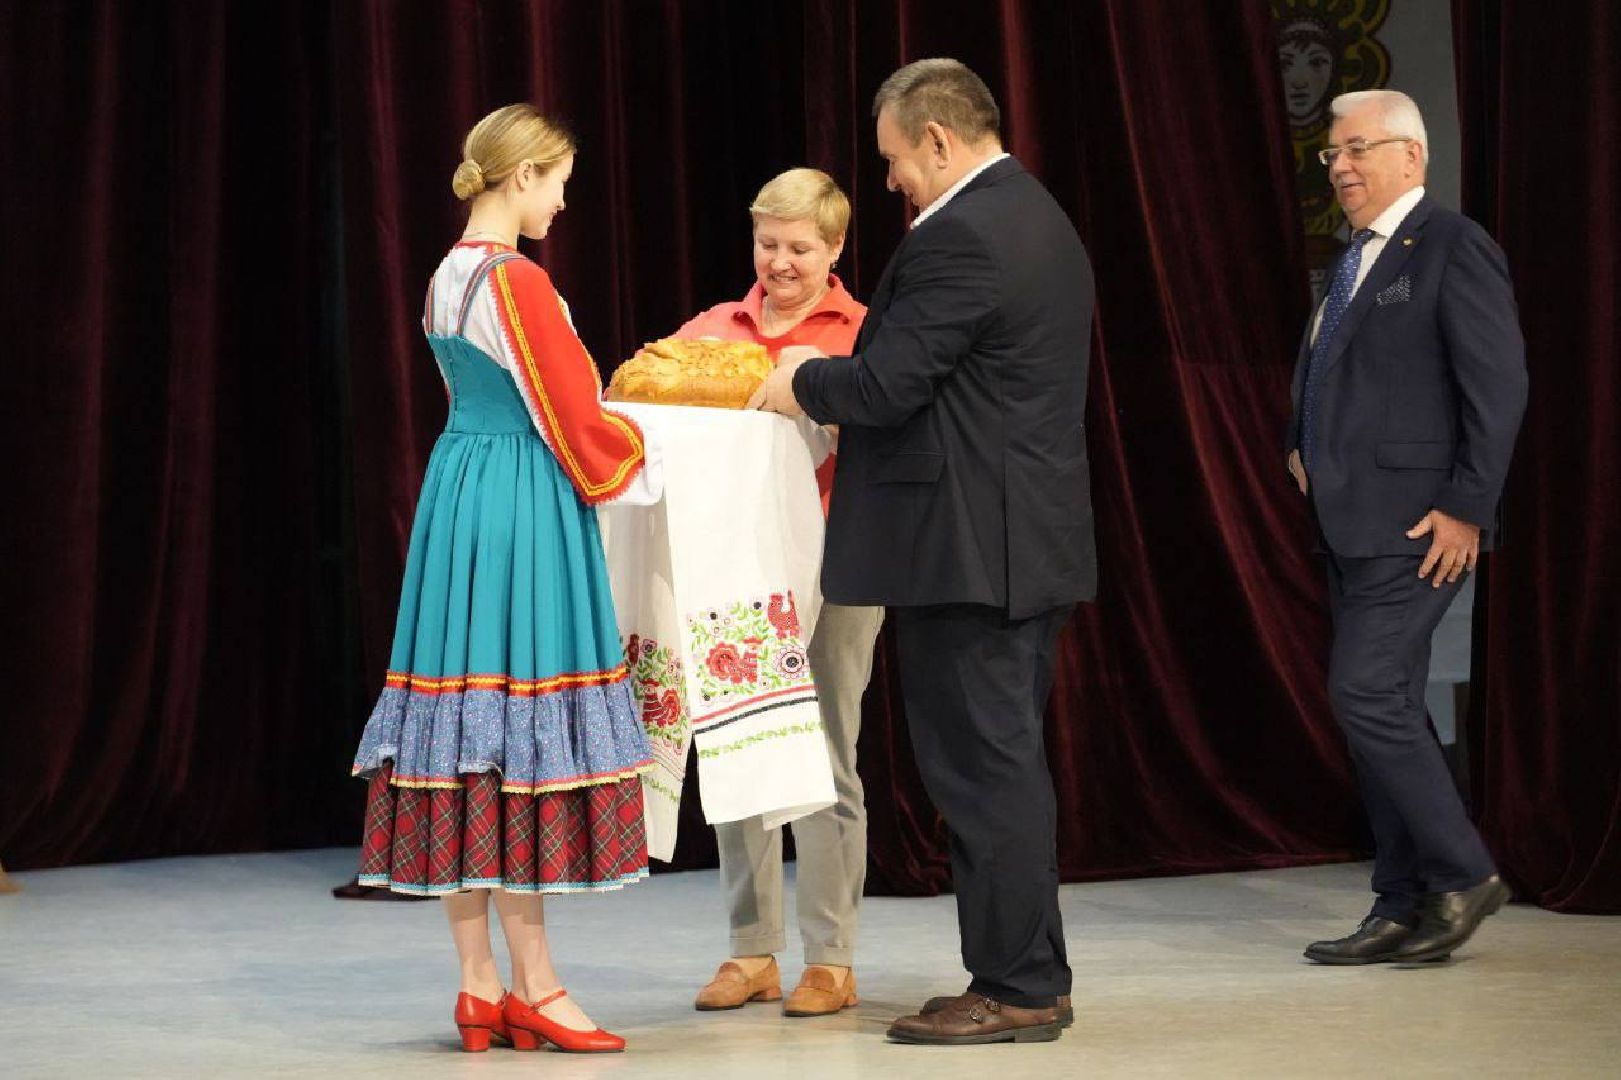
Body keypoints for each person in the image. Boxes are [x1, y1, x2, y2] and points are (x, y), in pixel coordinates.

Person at [751, 58, 1095, 1045]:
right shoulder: (1032, 214)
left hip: (972, 551)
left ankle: (1016, 988)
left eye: (895, 158)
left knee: (984, 775)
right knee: (1002, 768)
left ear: (938, 140)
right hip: (1012, 542)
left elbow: (889, 384)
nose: (891, 179)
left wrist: (802, 377)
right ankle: (1031, 977)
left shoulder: (964, 235)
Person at [349, 103, 664, 1054]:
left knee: (464, 728)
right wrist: (655, 451)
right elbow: (572, 416)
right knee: (516, 728)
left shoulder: (447, 273)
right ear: (522, 174)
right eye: (557, 180)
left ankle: (479, 984)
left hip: (460, 492)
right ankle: (536, 986)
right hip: (520, 497)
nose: (562, 201)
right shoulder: (514, 279)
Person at [1286, 90, 1527, 965]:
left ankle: (1463, 872)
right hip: (1348, 521)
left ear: (1411, 156)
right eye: (1332, 153)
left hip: (1419, 524)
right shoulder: (1353, 258)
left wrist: (1466, 505)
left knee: (1362, 692)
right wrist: (1301, 442)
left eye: (1358, 148)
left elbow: (1497, 385)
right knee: (1384, 706)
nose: (1340, 166)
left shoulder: (1451, 245)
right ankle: (1400, 901)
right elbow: (1335, 371)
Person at [673, 169, 882, 1018]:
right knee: (740, 747)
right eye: (767, 244)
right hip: (735, 570)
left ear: (834, 248)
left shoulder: (863, 332)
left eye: (799, 247)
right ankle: (751, 949)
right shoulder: (711, 330)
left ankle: (830, 957)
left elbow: (897, 440)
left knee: (825, 753)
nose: (780, 262)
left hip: (838, 564)